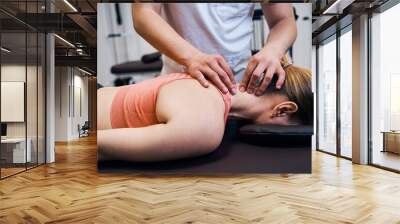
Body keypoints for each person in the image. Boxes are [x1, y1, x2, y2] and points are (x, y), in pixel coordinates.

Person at [97, 58, 312, 162]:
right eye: (289, 129)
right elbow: (94, 145)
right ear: (283, 110)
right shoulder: (205, 124)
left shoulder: (207, 82)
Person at [132, 3, 297, 96]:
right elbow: (143, 13)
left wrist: (273, 50)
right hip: (180, 84)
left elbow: (284, 20)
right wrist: (191, 57)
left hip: (241, 86)